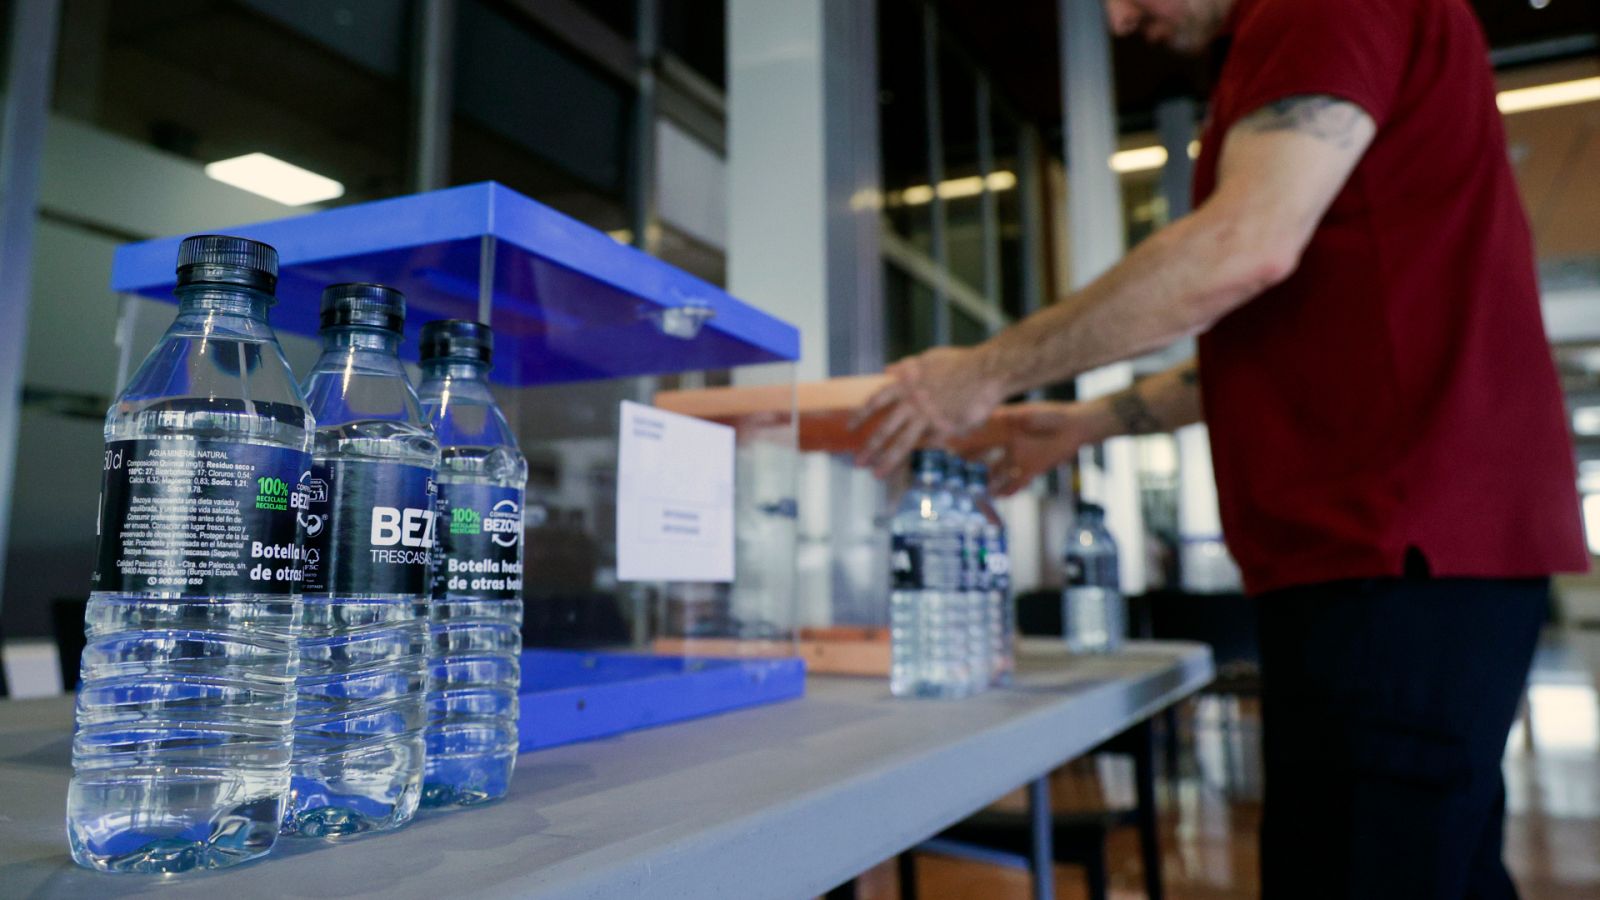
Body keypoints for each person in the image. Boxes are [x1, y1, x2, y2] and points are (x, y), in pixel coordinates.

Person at [851, 0, 1589, 896]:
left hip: (1398, 543)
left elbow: (1244, 248)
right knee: (1432, 864)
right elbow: (1288, 327)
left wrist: (986, 369)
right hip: (1392, 550)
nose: (1121, 21)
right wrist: (1086, 423)